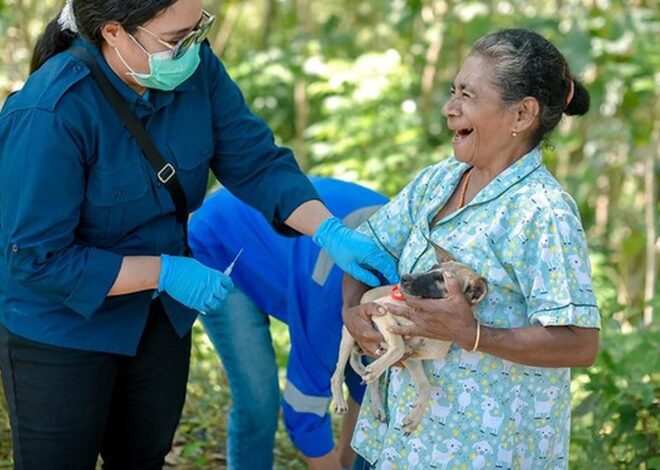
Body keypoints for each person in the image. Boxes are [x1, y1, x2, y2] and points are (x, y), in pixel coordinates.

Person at [0, 1, 398, 468]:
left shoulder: (193, 68)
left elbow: (255, 159)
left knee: (143, 456)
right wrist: (163, 271)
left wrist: (327, 230)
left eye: (198, 30)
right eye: (175, 39)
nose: (191, 48)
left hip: (155, 323)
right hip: (62, 330)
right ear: (114, 33)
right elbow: (36, 260)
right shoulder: (51, 112)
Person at [343, 29, 600, 469]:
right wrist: (353, 312)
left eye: (466, 94)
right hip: (392, 443)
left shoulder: (543, 211)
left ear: (521, 114)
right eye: (451, 91)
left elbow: (580, 342)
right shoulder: (438, 179)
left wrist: (475, 335)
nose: (449, 108)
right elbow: (364, 249)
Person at [189, 177, 387, 470]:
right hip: (223, 241)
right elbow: (303, 410)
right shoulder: (331, 301)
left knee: (373, 380)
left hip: (289, 255)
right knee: (259, 398)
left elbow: (369, 391)